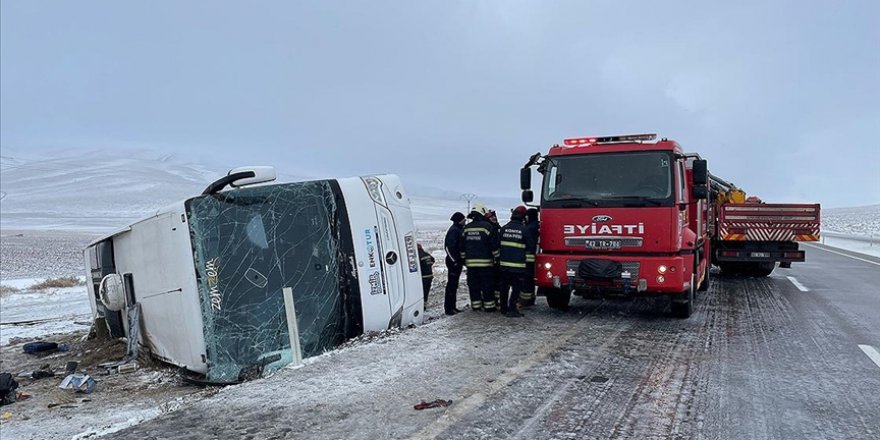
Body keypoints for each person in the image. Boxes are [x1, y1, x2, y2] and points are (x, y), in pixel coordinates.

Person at [461, 204, 499, 312]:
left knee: (474, 286)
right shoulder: (487, 227)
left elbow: (462, 247)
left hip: (471, 265)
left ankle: (476, 306)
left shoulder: (466, 228)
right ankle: (489, 307)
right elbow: (493, 245)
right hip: (486, 264)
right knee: (487, 285)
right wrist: (497, 258)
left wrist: (464, 260)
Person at [498, 206, 531, 317]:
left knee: (504, 288)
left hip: (503, 266)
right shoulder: (524, 230)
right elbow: (530, 247)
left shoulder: (504, 228)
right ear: (523, 217)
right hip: (518, 266)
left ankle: (503, 308)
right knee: (516, 288)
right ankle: (512, 309)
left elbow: (497, 245)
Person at [443, 212, 466, 315]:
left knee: (454, 285)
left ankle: (453, 307)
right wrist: (455, 261)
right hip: (453, 262)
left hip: (456, 261)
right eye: (463, 219)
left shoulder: (458, 229)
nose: (465, 221)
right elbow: (449, 247)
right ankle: (449, 308)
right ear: (459, 220)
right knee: (451, 285)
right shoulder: (454, 231)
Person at [520, 208, 540, 307]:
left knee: (526, 280)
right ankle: (531, 298)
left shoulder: (529, 228)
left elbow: (529, 244)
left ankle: (525, 301)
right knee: (531, 280)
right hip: (536, 257)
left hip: (527, 258)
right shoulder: (538, 225)